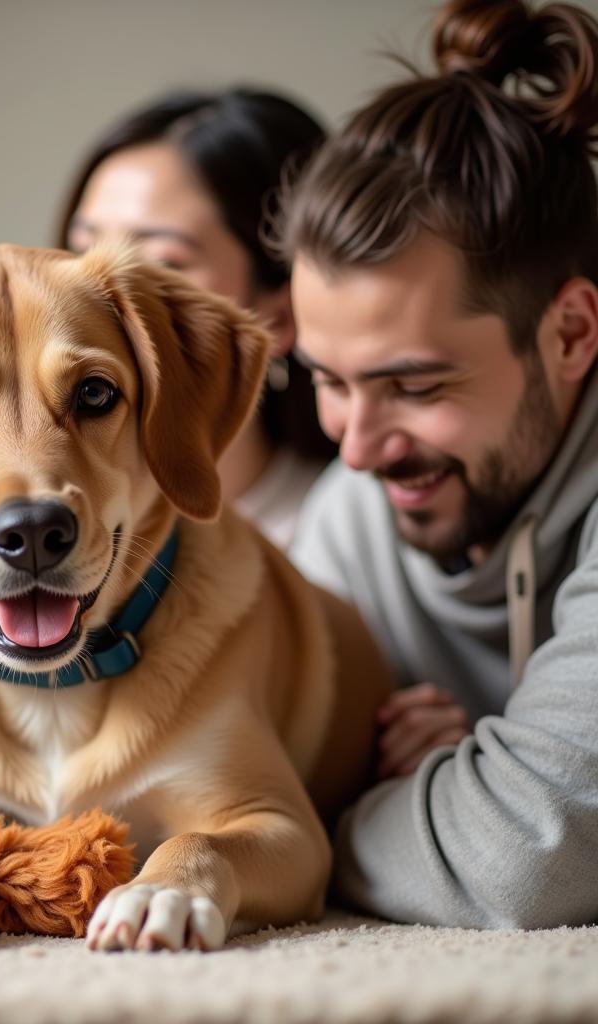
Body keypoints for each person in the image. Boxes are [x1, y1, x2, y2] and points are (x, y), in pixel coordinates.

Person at [0, 88, 336, 678]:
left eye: (161, 263)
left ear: (284, 311)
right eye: (78, 249)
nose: (85, 282)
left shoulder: (333, 532)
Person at [282, 0, 598, 928]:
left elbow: (528, 859)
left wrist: (329, 823)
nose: (355, 445)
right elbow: (241, 783)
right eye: (328, 381)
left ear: (571, 332)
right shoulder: (351, 513)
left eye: (414, 386)